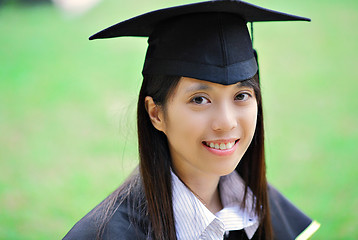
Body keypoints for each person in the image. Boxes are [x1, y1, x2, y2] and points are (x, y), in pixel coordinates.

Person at [63, 1, 320, 239]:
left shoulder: (262, 208)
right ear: (156, 114)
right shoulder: (109, 233)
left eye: (241, 95)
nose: (226, 122)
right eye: (199, 99)